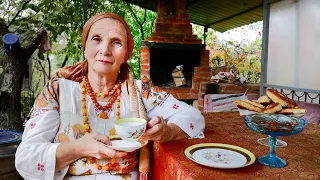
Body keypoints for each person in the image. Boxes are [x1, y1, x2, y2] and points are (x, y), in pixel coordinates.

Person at [15, 12, 205, 180]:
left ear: (125, 56)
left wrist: (166, 132)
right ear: (85, 47)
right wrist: (79, 148)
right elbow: (26, 159)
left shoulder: (140, 90)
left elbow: (194, 118)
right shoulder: (57, 91)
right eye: (96, 39)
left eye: (116, 42)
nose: (105, 50)